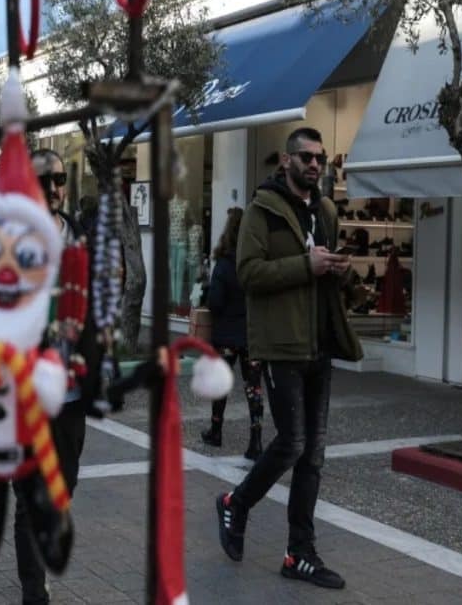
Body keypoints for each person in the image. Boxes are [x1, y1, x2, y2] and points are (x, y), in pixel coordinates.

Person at [216, 128, 362, 590]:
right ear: (286, 160)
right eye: (306, 157)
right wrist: (307, 266)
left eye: (319, 158)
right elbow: (248, 273)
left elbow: (324, 271)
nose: (315, 165)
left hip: (319, 346)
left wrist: (341, 272)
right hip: (280, 348)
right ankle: (235, 504)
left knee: (313, 455)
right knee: (293, 442)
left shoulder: (327, 211)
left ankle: (299, 552)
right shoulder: (263, 211)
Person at [10, 148, 96, 605]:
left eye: (60, 180)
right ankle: (32, 592)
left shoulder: (81, 238)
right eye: (44, 181)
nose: (54, 189)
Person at [200, 207, 264, 460]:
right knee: (254, 388)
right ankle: (256, 441)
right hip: (252, 334)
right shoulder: (256, 262)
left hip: (226, 335)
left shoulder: (224, 264)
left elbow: (215, 302)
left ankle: (216, 431)